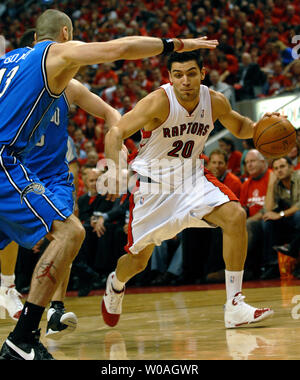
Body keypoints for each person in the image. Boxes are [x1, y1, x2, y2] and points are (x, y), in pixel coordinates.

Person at [0, 9, 218, 360]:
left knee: (63, 232)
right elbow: (119, 48)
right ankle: (21, 339)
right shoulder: (53, 53)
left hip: (23, 164)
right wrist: (174, 43)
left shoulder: (8, 61)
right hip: (5, 160)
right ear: (66, 32)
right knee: (71, 233)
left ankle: (40, 316)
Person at [99, 50, 274, 330]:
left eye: (191, 74)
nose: (185, 81)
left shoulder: (214, 101)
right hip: (154, 188)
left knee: (235, 216)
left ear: (202, 74)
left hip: (192, 179)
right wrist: (113, 169)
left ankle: (234, 305)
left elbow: (240, 125)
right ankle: (115, 283)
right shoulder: (158, 101)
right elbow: (115, 132)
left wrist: (262, 127)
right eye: (178, 75)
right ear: (170, 77)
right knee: (138, 261)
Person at [0, 27, 121, 340]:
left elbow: (111, 113)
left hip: (52, 173)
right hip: (18, 169)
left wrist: (112, 167)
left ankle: (53, 307)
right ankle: (9, 286)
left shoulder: (69, 86)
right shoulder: (18, 80)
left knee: (67, 231)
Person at [261, 157, 300, 279]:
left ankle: (292, 248)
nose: (279, 171)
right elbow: (268, 208)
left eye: (282, 167)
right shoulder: (277, 183)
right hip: (290, 218)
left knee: (299, 216)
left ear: (291, 168)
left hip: (296, 216)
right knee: (268, 221)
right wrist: (271, 184)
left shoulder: (298, 177)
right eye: (276, 168)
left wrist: (280, 214)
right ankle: (273, 264)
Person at [239, 150, 272, 278]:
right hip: (251, 220)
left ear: (263, 162)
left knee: (250, 225)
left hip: (266, 218)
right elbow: (242, 208)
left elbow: (271, 206)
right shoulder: (247, 183)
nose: (249, 165)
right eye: (247, 162)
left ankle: (246, 268)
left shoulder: (272, 176)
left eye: (252, 161)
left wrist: (250, 220)